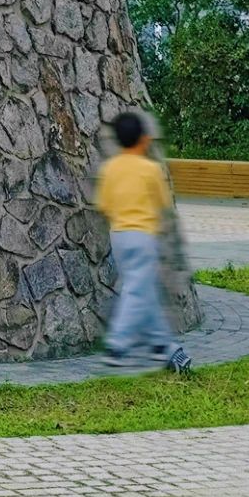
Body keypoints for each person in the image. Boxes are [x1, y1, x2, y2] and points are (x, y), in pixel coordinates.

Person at [94, 110, 192, 373]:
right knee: (138, 291)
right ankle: (117, 344)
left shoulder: (110, 168)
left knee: (140, 288)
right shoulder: (150, 169)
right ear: (143, 139)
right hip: (143, 237)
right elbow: (162, 203)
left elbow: (104, 204)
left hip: (119, 237)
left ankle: (164, 346)